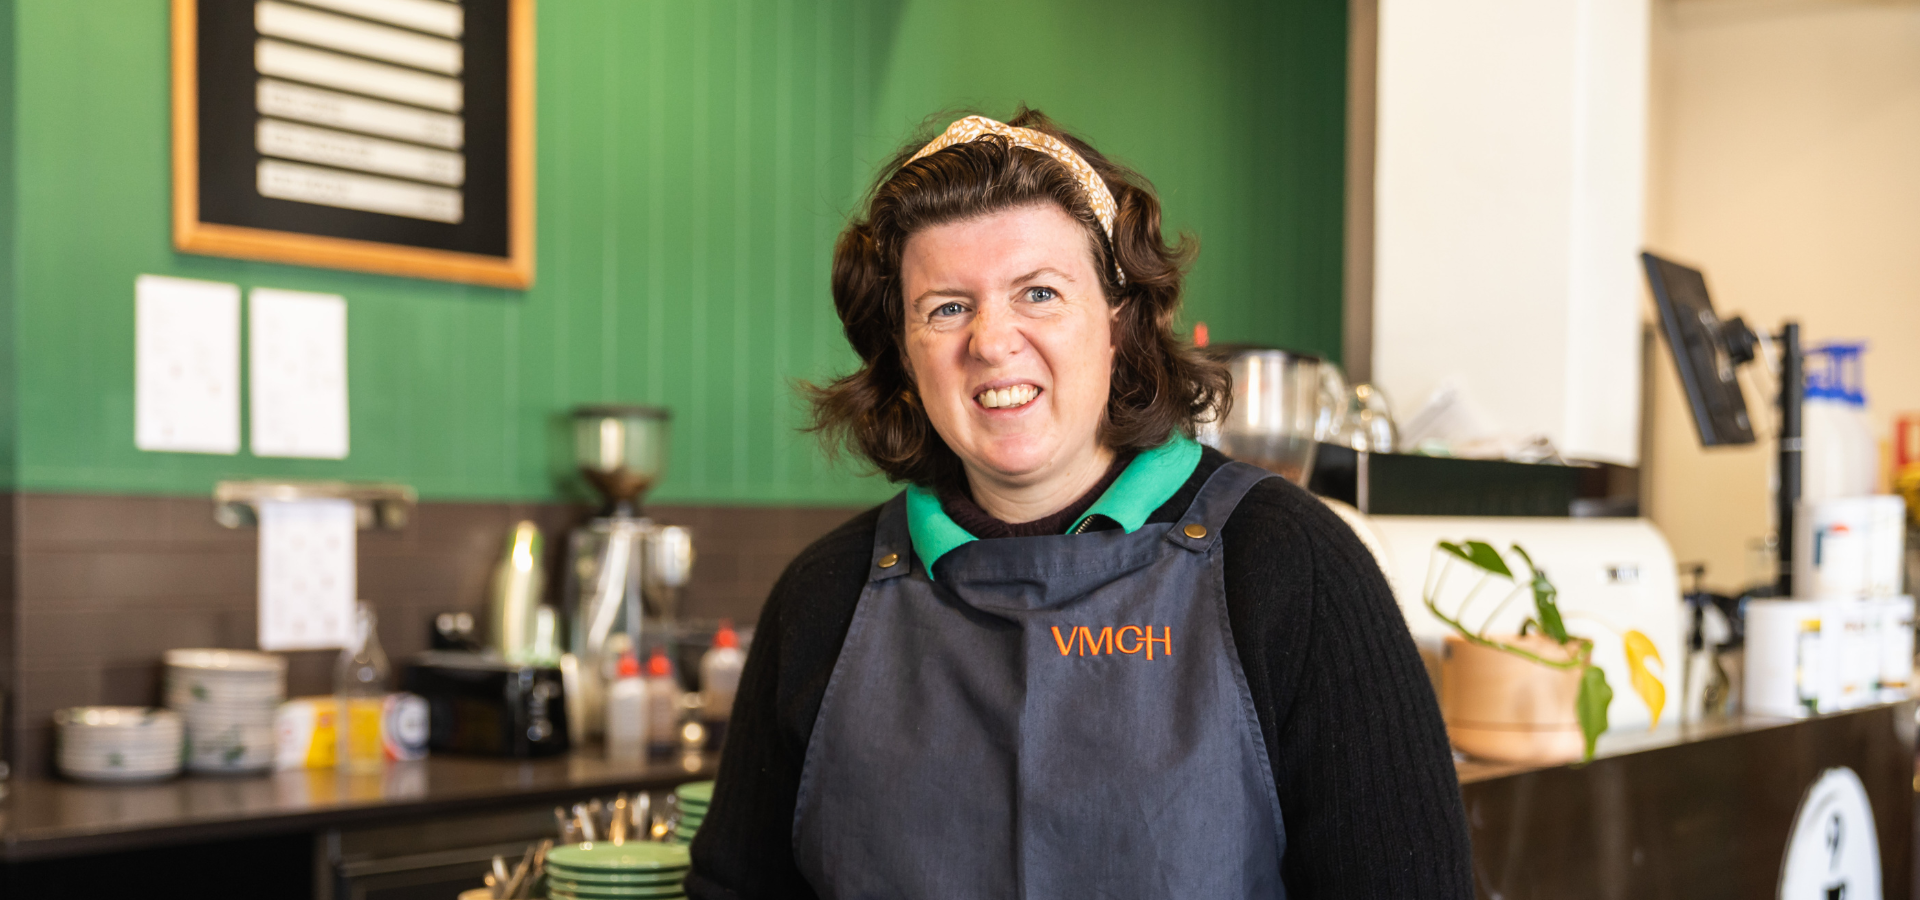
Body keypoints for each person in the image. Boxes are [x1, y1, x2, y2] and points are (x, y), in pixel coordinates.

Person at [686, 109, 1471, 898]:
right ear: (903, 351)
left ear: (1119, 324)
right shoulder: (821, 599)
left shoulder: (1293, 568)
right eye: (947, 307)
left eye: (1038, 292)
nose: (992, 341)